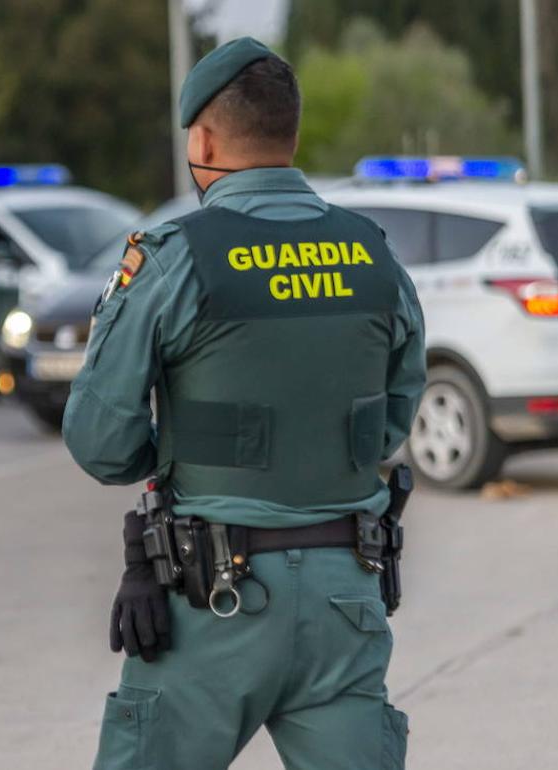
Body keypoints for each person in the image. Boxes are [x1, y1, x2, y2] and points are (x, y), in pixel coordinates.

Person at [62, 38, 425, 770]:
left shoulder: (173, 257)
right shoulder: (373, 254)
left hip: (215, 602)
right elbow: (390, 419)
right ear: (289, 136)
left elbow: (100, 441)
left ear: (202, 139)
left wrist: (169, 454)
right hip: (345, 598)